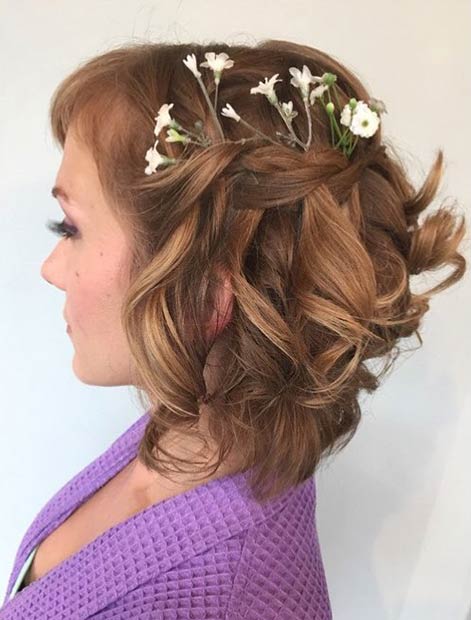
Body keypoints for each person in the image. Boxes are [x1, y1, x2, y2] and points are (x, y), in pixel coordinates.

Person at [0, 38, 466, 619]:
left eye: (69, 227)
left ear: (206, 292)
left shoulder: (227, 598)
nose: (50, 269)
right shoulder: (185, 429)